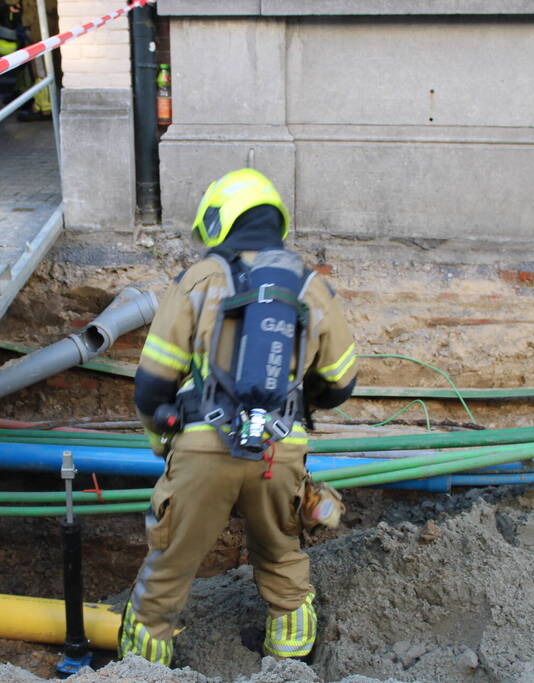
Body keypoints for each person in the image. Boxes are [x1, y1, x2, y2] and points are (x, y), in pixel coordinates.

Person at [118, 168, 358, 666]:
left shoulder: (200, 279)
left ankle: (142, 670)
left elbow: (153, 384)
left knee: (168, 567)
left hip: (202, 449)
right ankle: (289, 666)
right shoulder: (313, 287)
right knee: (282, 555)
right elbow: (340, 384)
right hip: (278, 452)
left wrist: (162, 442)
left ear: (220, 221)